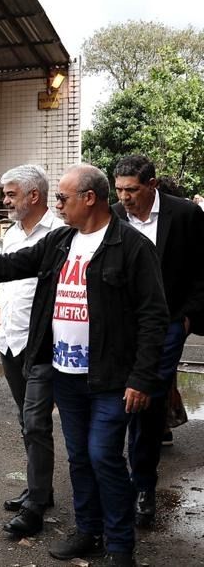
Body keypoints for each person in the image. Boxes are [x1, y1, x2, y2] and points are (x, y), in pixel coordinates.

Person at [0, 164, 167, 566]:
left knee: (103, 456)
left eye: (62, 198)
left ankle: (119, 547)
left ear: (89, 199)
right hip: (65, 372)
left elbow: (153, 316)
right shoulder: (61, 242)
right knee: (79, 457)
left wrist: (143, 377)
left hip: (112, 377)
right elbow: (6, 267)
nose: (57, 205)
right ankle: (88, 531)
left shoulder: (130, 246)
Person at [111, 156, 204, 527]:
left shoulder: (184, 216)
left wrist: (187, 318)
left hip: (167, 323)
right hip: (121, 325)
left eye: (131, 190)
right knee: (119, 398)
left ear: (152, 184)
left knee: (146, 400)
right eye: (119, 190)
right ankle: (117, 480)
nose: (125, 198)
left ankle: (144, 487)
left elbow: (202, 269)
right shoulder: (114, 216)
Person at [0, 165, 65, 537]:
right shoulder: (10, 234)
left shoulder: (58, 235)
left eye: (10, 194)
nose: (5, 200)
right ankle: (41, 488)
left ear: (33, 196)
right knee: (26, 419)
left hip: (42, 346)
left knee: (37, 421)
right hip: (10, 341)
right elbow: (3, 282)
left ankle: (36, 504)